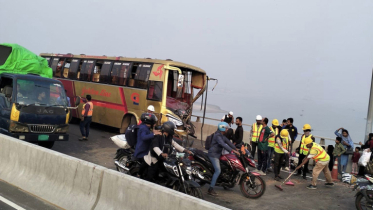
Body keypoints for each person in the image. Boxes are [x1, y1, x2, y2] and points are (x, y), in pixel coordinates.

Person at [207, 122, 240, 196]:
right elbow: (223, 144)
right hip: (213, 155)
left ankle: (226, 182)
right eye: (226, 128)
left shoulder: (222, 135)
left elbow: (228, 142)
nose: (227, 129)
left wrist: (236, 149)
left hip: (218, 155)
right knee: (218, 170)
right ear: (222, 128)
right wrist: (232, 151)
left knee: (227, 166)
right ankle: (211, 189)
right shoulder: (218, 136)